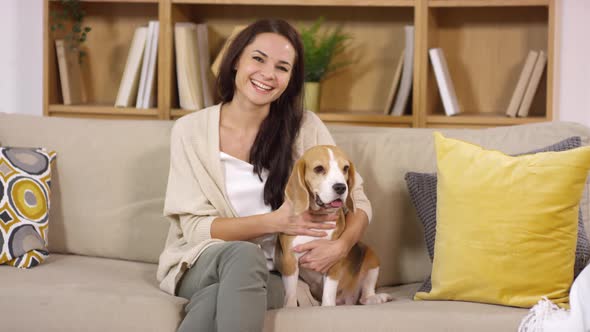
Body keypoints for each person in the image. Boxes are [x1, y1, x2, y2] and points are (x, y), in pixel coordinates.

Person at [156, 18, 372, 332]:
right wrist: (275, 223)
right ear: (236, 61)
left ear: (290, 80)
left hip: (272, 275)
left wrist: (340, 247)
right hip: (202, 261)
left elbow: (361, 202)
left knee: (216, 299)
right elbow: (195, 229)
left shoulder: (306, 127)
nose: (268, 74)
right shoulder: (190, 132)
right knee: (245, 257)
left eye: (282, 67)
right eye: (258, 59)